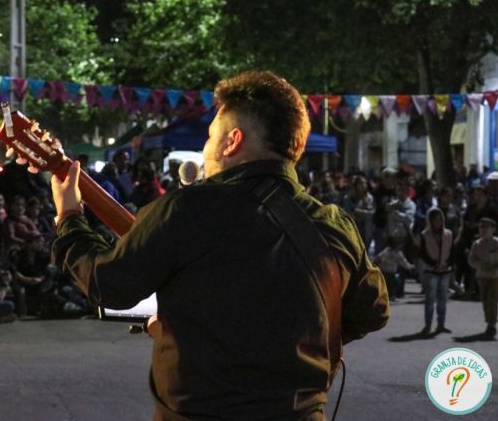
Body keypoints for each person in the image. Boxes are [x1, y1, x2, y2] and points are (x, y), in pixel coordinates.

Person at [47, 71, 389, 420]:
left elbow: (109, 283)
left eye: (210, 137)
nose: (206, 149)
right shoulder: (334, 225)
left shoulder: (185, 210)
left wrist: (70, 218)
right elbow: (372, 310)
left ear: (232, 141)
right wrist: (298, 342)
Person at [413, 208, 453, 334]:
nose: (438, 222)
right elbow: (422, 253)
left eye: (440, 219)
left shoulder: (448, 234)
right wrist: (433, 264)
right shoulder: (425, 235)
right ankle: (428, 325)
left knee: (442, 300)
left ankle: (441, 324)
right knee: (430, 299)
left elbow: (453, 251)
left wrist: (448, 263)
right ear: (430, 220)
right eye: (435, 220)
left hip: (445, 270)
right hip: (431, 271)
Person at [468, 217, 498, 339]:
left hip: (495, 276)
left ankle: (492, 324)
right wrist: (480, 265)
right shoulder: (477, 244)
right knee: (485, 300)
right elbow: (471, 260)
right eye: (481, 227)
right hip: (482, 276)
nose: (484, 230)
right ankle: (489, 321)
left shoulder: (496, 243)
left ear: (493, 229)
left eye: (487, 227)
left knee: (492, 299)